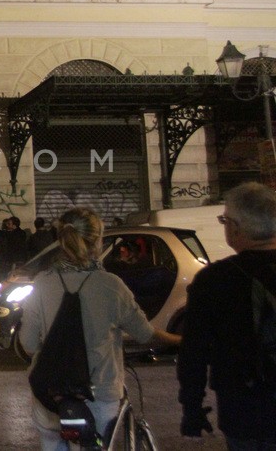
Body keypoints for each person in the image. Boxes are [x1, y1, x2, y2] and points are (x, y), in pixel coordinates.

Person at [20, 207, 180, 451]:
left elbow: (29, 345)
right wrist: (178, 340)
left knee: (52, 444)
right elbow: (145, 333)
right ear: (97, 241)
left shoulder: (42, 283)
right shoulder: (111, 286)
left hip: (50, 392)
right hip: (99, 390)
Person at [177, 182, 276, 447]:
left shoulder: (214, 280)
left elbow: (194, 352)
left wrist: (192, 408)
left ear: (234, 226)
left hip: (244, 410)